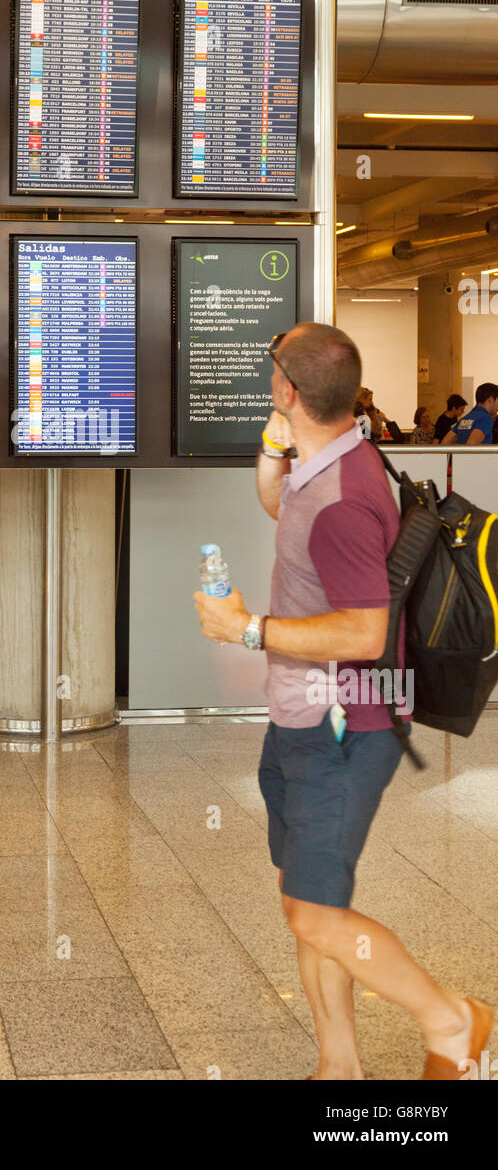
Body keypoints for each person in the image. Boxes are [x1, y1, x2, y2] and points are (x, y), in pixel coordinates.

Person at [193, 323, 492, 1080]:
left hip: (343, 729)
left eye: (274, 378)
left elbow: (362, 632)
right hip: (304, 718)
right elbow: (279, 507)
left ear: (290, 389)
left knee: (316, 912)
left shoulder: (341, 500)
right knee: (308, 903)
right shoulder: (331, 457)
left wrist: (248, 630)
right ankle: (338, 1065)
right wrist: (274, 442)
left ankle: (454, 1019)